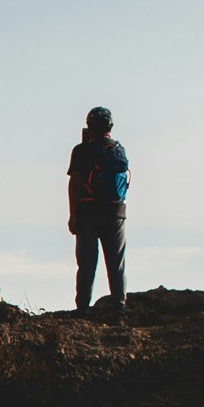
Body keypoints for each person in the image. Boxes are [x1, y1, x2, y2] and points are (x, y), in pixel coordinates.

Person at [67, 105, 128, 313]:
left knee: (86, 265)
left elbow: (75, 183)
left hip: (88, 213)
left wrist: (73, 214)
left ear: (89, 126)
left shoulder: (81, 150)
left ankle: (83, 308)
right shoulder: (119, 149)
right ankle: (119, 308)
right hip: (116, 213)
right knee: (116, 265)